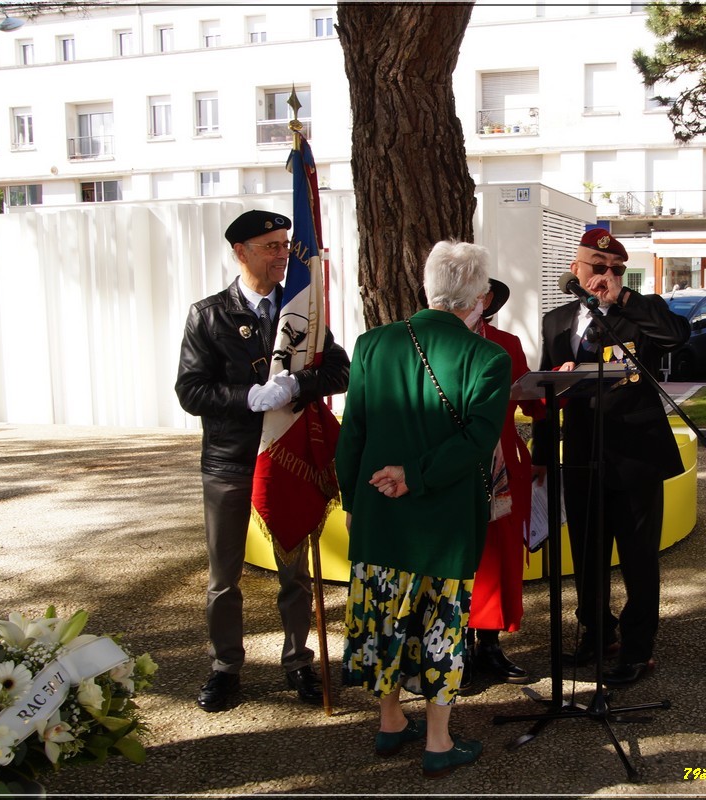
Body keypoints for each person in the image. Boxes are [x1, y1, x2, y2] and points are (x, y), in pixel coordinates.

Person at [337, 240, 510, 778]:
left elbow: (353, 434)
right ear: (479, 297)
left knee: (382, 617)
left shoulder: (371, 344)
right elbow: (478, 440)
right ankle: (438, 739)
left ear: (428, 287)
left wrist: (352, 498)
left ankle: (390, 723)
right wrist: (417, 475)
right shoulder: (488, 357)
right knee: (441, 624)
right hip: (446, 516)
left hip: (377, 506)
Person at [175, 209, 351, 713]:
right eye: (271, 246)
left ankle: (298, 660)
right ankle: (225, 666)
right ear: (241, 251)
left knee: (293, 571)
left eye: (284, 244)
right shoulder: (208, 314)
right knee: (223, 577)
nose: (283, 254)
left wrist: (299, 384)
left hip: (289, 460)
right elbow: (191, 390)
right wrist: (248, 397)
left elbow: (338, 370)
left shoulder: (301, 310)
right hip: (231, 461)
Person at [533, 228, 689, 688]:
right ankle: (598, 633)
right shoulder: (556, 320)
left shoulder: (642, 311)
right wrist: (543, 456)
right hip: (581, 454)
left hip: (637, 455)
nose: (605, 277)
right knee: (588, 553)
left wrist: (624, 300)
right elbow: (545, 393)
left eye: (615, 270)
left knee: (639, 558)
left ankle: (639, 649)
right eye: (597, 268)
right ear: (574, 270)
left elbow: (676, 337)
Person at [467, 278, 542, 684]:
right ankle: (455, 647)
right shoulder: (431, 341)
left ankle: (490, 647)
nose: (478, 299)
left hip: (502, 466)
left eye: (483, 293)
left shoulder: (506, 342)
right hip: (455, 466)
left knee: (500, 558)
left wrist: (553, 383)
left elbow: (531, 400)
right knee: (463, 557)